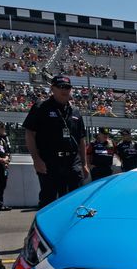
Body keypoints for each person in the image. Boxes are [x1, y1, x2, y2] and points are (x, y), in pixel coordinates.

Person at [24, 75, 89, 208]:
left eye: (67, 87)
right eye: (61, 87)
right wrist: (36, 159)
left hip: (73, 162)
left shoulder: (75, 111)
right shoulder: (41, 107)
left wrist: (84, 164)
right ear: (52, 88)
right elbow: (30, 133)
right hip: (50, 161)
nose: (64, 90)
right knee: (48, 201)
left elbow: (81, 139)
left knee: (76, 201)